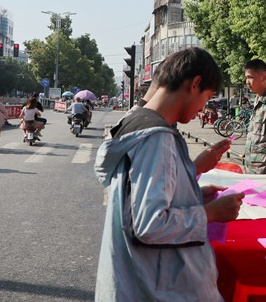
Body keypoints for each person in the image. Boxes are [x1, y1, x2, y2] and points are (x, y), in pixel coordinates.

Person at [94, 47, 244, 301]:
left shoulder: (135, 122)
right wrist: (211, 213)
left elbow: (139, 197)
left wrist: (192, 193)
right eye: (206, 98)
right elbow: (150, 224)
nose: (202, 109)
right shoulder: (157, 138)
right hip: (157, 287)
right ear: (195, 84)